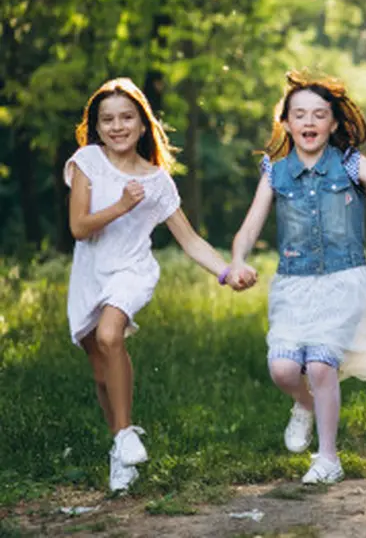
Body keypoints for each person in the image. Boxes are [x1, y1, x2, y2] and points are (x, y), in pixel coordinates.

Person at [65, 78, 249, 492]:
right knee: (100, 368)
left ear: (143, 124)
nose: (117, 126)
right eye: (107, 119)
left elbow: (190, 240)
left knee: (112, 335)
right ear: (96, 128)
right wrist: (121, 206)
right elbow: (78, 227)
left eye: (126, 117)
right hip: (91, 272)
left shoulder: (158, 182)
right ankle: (120, 448)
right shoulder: (87, 161)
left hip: (132, 270)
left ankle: (126, 432)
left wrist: (225, 272)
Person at [227, 70, 366, 484]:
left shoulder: (350, 163)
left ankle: (328, 458)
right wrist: (237, 259)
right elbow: (251, 225)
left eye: (319, 115)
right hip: (294, 285)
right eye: (299, 114)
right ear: (285, 122)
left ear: (334, 123)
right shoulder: (275, 172)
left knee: (321, 366)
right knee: (283, 370)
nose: (309, 122)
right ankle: (302, 404)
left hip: (343, 281)